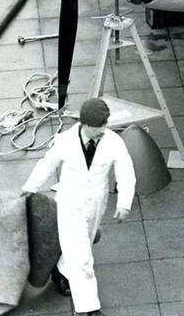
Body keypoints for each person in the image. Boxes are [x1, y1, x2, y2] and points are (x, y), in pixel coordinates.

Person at [22, 98, 137, 316]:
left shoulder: (113, 142)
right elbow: (48, 163)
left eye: (105, 124)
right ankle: (89, 308)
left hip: (95, 205)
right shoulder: (65, 141)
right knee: (83, 258)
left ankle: (60, 270)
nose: (104, 129)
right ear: (85, 124)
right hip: (70, 205)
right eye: (99, 126)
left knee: (82, 246)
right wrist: (30, 187)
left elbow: (126, 170)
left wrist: (124, 203)